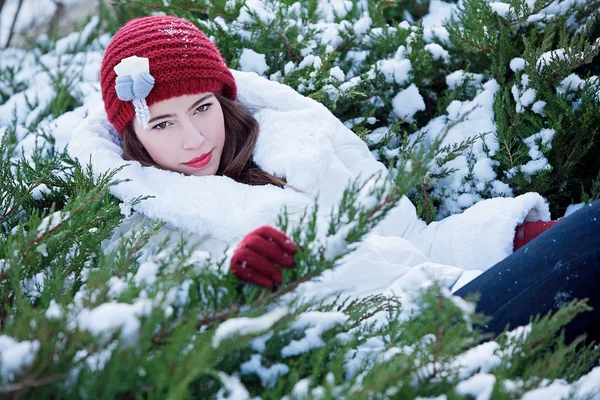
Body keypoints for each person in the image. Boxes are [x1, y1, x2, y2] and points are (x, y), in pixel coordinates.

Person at [68, 15, 599, 343]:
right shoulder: (141, 223)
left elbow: (407, 241)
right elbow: (161, 336)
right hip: (412, 341)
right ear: (131, 136)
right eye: (162, 123)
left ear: (223, 98)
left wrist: (508, 238)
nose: (192, 139)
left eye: (201, 108)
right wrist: (230, 288)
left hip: (454, 288)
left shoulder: (297, 141)